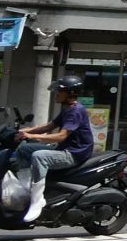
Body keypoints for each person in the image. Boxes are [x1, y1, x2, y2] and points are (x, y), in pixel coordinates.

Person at [15, 75, 94, 222]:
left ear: (70, 93)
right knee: (23, 149)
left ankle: (37, 200)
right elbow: (48, 126)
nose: (56, 94)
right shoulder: (67, 109)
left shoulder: (76, 111)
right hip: (65, 149)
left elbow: (61, 136)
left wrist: (31, 136)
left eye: (60, 91)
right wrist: (24, 132)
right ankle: (26, 189)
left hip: (74, 154)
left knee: (40, 156)